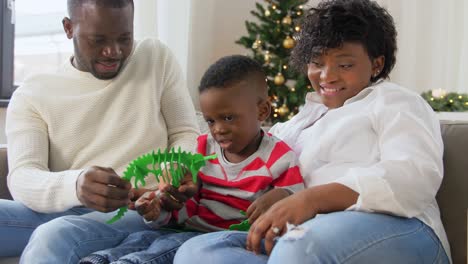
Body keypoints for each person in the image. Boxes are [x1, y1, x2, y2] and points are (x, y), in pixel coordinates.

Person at [174, 0, 452, 263]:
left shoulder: (395, 102)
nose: (326, 76)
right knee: (197, 251)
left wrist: (311, 199)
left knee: (300, 247)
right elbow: (251, 160)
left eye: (344, 65)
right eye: (317, 62)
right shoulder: (297, 124)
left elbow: (413, 176)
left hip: (401, 226)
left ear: (376, 65)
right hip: (303, 235)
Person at [0, 0, 200, 262]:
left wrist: (174, 169)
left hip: (137, 212)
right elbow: (23, 177)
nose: (113, 52)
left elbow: (185, 132)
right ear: (69, 28)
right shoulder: (33, 94)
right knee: (56, 226)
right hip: (64, 207)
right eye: (98, 40)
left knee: (55, 234)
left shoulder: (155, 57)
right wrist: (76, 185)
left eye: (124, 38)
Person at [78, 55, 305, 263]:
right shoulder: (201, 148)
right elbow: (183, 204)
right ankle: (102, 259)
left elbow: (299, 208)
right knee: (145, 238)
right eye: (210, 121)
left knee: (165, 248)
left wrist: (283, 196)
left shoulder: (280, 158)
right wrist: (157, 208)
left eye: (228, 117)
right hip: (184, 228)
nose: (219, 130)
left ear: (262, 111)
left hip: (226, 239)